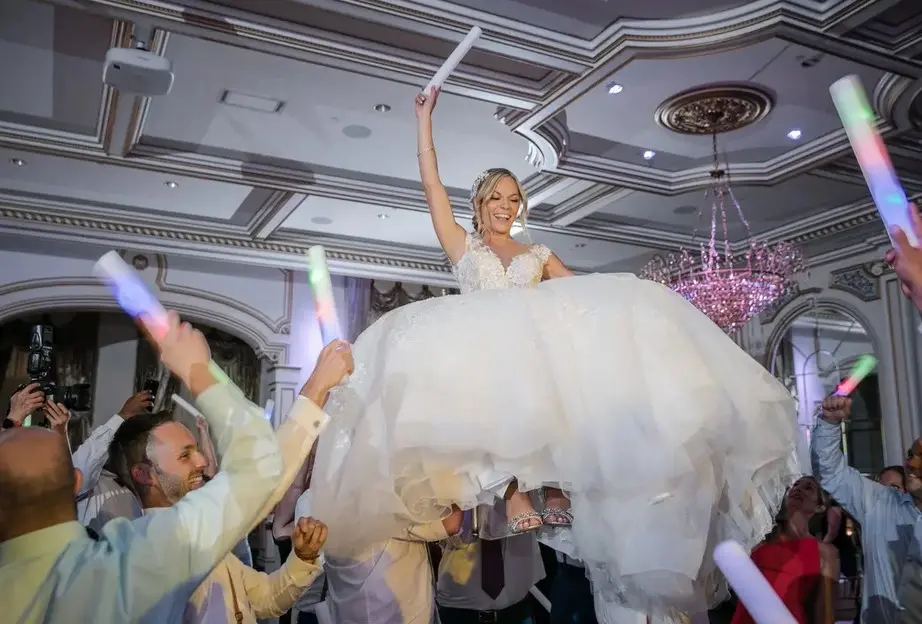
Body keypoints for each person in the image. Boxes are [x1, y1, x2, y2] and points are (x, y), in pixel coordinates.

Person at [308, 87, 801, 620]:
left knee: (552, 398)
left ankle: (551, 491)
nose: (506, 205)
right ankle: (509, 495)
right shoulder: (464, 247)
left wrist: (634, 302)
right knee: (477, 415)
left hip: (527, 358)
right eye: (497, 196)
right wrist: (424, 121)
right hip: (478, 355)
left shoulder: (537, 253)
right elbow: (431, 187)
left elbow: (583, 297)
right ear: (480, 203)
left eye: (514, 197)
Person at [0, 311, 285, 622]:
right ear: (76, 482)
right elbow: (259, 466)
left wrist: (13, 423)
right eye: (185, 454)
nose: (201, 462)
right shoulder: (125, 567)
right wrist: (200, 372)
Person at [731, 476, 839, 624]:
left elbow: (825, 614)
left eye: (808, 487)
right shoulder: (760, 538)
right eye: (794, 485)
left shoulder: (826, 552)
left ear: (819, 506)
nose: (798, 489)